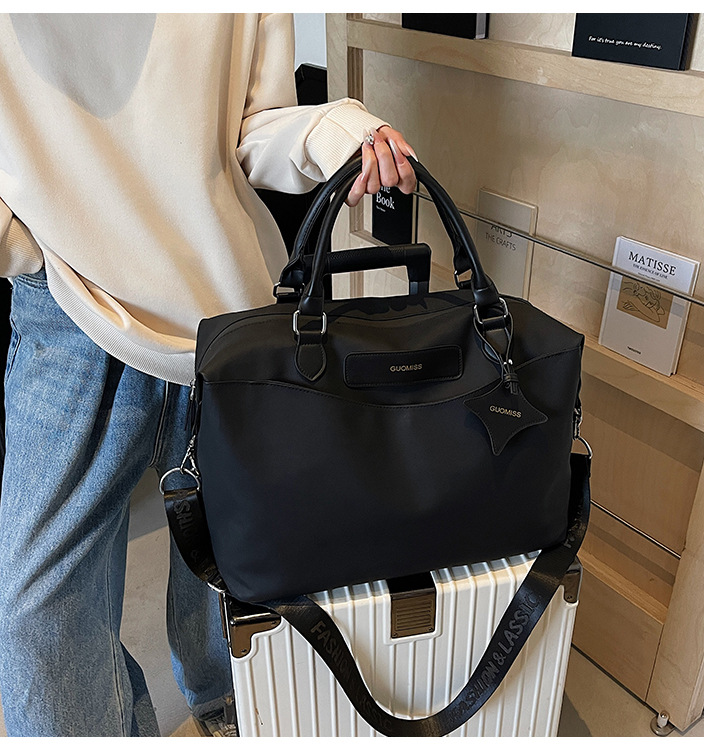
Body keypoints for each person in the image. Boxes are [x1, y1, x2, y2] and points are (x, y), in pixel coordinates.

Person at [0, 13, 417, 737]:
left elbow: (254, 123)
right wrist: (25, 243)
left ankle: (227, 702)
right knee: (41, 616)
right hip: (69, 303)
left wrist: (336, 132)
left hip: (223, 301)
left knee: (231, 560)